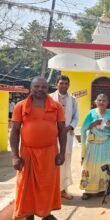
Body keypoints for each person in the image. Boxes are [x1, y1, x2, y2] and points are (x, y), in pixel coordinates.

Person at [10, 77, 67, 220]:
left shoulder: (57, 106)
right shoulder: (20, 106)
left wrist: (62, 153)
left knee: (46, 186)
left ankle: (45, 213)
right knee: (26, 186)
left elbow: (61, 130)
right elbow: (15, 131)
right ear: (31, 87)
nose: (40, 89)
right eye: (37, 86)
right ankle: (28, 213)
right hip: (27, 153)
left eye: (43, 87)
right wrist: (15, 156)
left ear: (48, 89)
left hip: (49, 153)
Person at [50, 75, 79, 200]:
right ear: (56, 84)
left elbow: (76, 117)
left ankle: (62, 190)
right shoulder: (49, 98)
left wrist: (69, 127)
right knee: (50, 163)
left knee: (65, 162)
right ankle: (51, 191)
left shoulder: (73, 100)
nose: (64, 86)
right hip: (50, 136)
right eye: (61, 83)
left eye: (66, 83)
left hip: (66, 136)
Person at [80, 94, 110, 200]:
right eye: (99, 100)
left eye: (104, 100)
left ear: (108, 102)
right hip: (93, 144)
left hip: (105, 144)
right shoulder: (91, 113)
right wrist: (93, 124)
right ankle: (87, 190)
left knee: (103, 166)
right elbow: (84, 128)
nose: (101, 102)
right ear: (95, 102)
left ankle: (102, 189)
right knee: (89, 166)